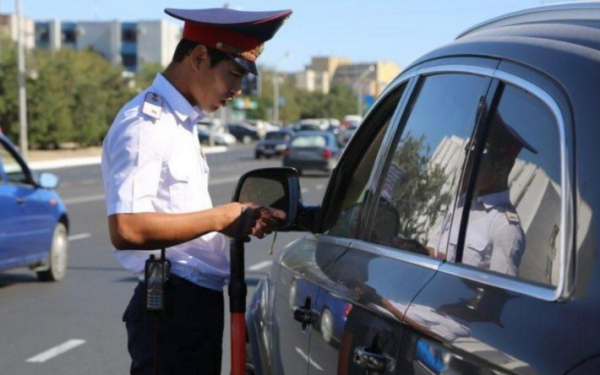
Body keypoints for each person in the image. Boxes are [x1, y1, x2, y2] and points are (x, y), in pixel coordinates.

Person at [101, 7, 292, 375]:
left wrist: (234, 221)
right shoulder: (148, 123)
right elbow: (126, 228)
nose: (237, 90)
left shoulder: (181, 123)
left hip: (191, 304)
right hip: (172, 308)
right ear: (199, 56)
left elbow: (177, 216)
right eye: (233, 74)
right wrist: (221, 216)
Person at [426, 113, 537, 276]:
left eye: (477, 156)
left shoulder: (505, 227)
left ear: (502, 167)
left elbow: (496, 296)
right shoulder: (460, 204)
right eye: (468, 153)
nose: (465, 165)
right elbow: (431, 247)